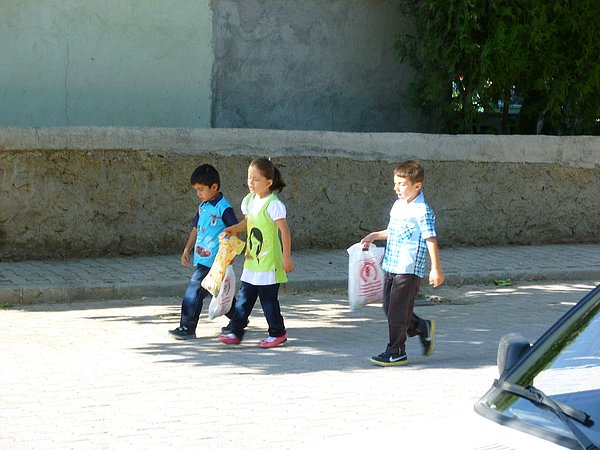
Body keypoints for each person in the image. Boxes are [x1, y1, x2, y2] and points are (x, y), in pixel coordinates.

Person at [361, 160, 445, 366]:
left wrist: (436, 269)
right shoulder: (398, 206)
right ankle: (421, 327)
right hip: (391, 264)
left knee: (397, 311)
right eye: (395, 183)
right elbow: (394, 232)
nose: (396, 188)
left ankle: (396, 350)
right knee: (390, 308)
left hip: (408, 269)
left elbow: (430, 238)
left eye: (402, 184)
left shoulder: (422, 210)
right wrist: (374, 235)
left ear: (417, 186)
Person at [219, 157, 294, 349]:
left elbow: (284, 231)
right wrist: (235, 228)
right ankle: (236, 330)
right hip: (252, 261)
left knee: (268, 301)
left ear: (268, 182)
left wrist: (286, 257)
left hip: (269, 263)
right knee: (244, 298)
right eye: (249, 178)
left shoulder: (273, 204)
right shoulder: (249, 201)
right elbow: (248, 222)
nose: (251, 183)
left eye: (256, 179)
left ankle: (278, 333)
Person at [169, 164, 239, 339]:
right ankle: (239, 319)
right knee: (221, 292)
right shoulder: (203, 207)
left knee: (194, 291)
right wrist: (187, 249)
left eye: (201, 189)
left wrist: (231, 255)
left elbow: (236, 230)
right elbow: (195, 229)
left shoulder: (224, 208)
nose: (198, 194)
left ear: (214, 187)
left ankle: (187, 328)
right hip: (202, 258)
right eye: (196, 190)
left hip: (215, 261)